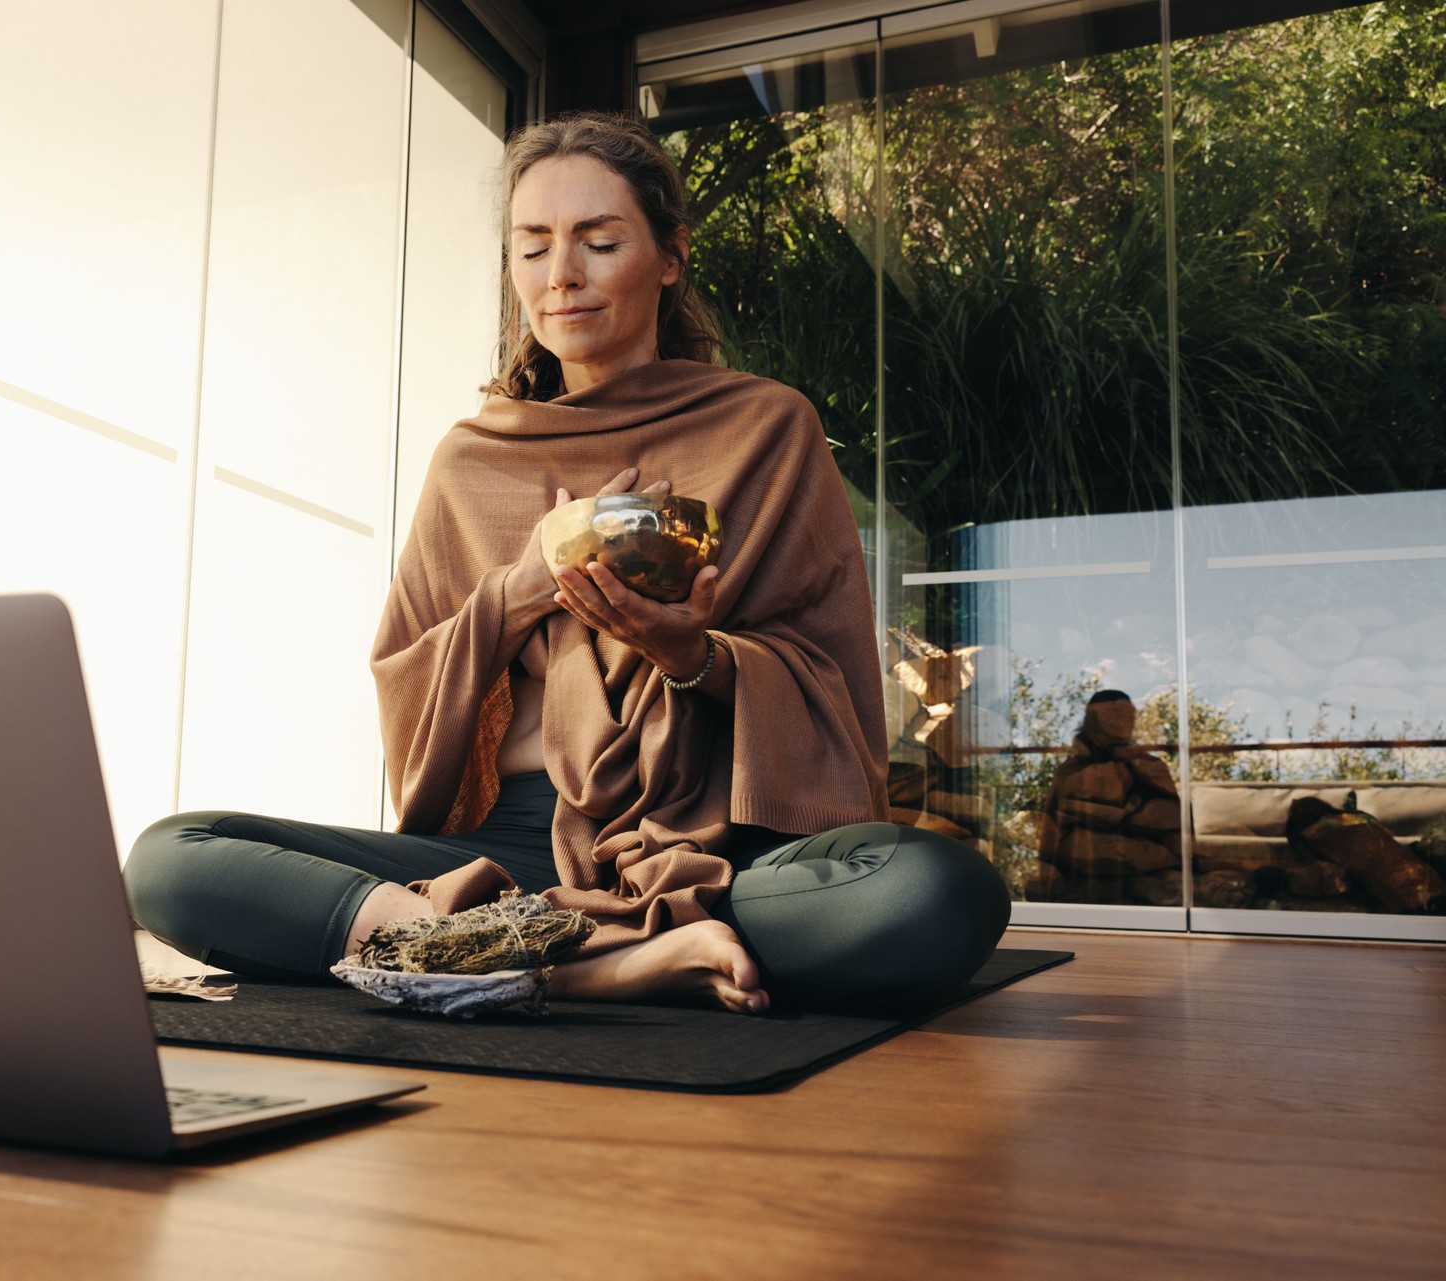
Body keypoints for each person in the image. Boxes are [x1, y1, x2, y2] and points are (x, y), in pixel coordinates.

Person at [126, 112, 1010, 1015]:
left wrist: (689, 653)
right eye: (534, 247)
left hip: (708, 839)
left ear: (670, 256)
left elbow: (829, 679)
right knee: (171, 856)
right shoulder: (471, 460)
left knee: (934, 892)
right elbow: (409, 680)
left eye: (599, 241)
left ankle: (479, 947)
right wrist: (514, 594)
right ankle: (601, 963)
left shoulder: (767, 429)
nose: (563, 276)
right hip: (506, 844)